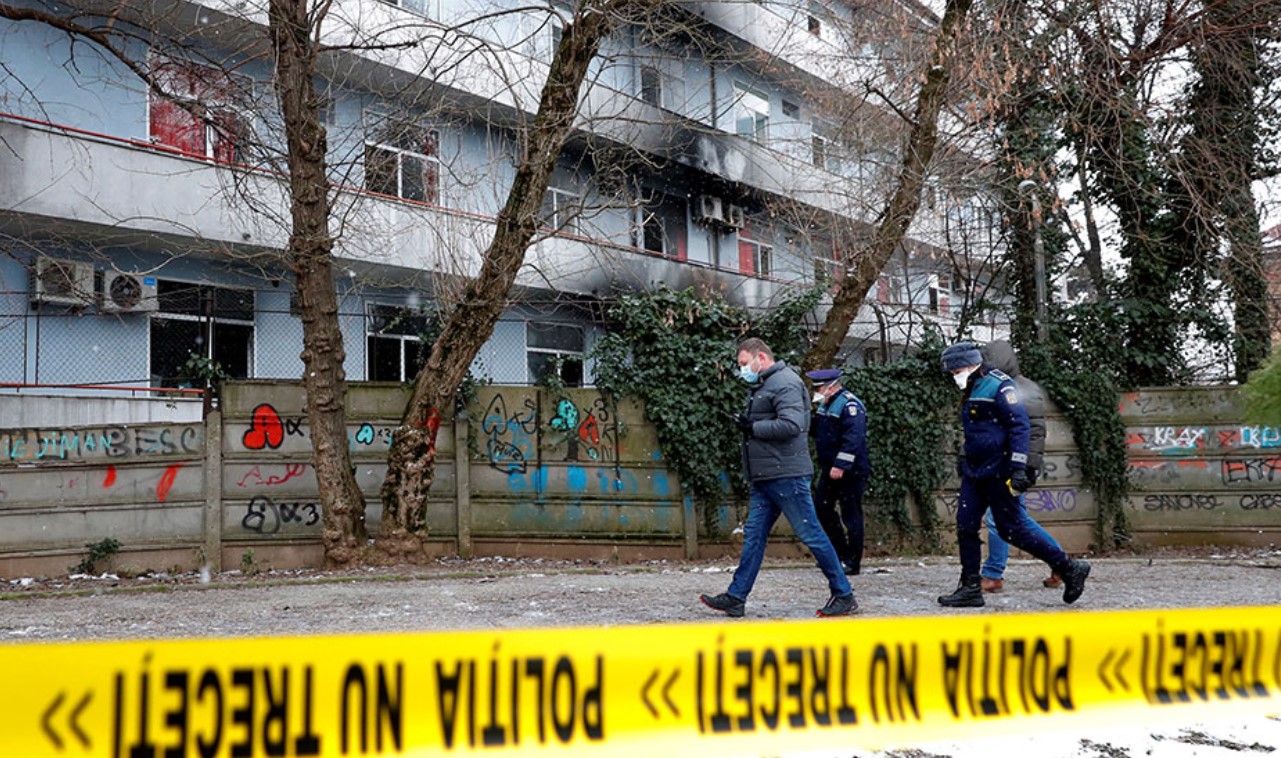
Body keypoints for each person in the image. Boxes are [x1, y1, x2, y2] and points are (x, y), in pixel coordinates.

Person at [700, 338, 857, 618]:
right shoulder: (766, 383)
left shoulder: (784, 382)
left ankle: (844, 594)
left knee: (811, 533)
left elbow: (792, 425)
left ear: (761, 357)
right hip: (767, 476)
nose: (742, 370)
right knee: (754, 537)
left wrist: (753, 427)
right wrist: (750, 425)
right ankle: (736, 597)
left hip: (786, 474)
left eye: (744, 364)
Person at [937, 341, 1090, 608]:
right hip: (975, 471)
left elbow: (1020, 426)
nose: (953, 376)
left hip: (1000, 469)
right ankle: (970, 587)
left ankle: (1069, 567)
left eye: (955, 370)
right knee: (965, 524)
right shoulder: (974, 385)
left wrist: (1021, 466)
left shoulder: (1001, 385)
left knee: (1012, 529)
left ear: (970, 363)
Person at [977, 340, 1061, 592]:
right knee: (1015, 519)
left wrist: (1025, 468)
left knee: (998, 519)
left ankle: (993, 574)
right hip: (1001, 464)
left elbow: (1035, 432)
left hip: (1013, 466)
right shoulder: (1001, 386)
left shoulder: (1019, 388)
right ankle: (1062, 563)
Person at [805, 368, 869, 576]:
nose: (818, 391)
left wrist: (841, 465)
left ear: (832, 386)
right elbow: (819, 431)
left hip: (849, 471)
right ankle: (839, 554)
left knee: (851, 515)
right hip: (829, 468)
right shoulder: (827, 404)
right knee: (822, 509)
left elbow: (854, 438)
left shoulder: (850, 405)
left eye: (820, 388)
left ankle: (853, 561)